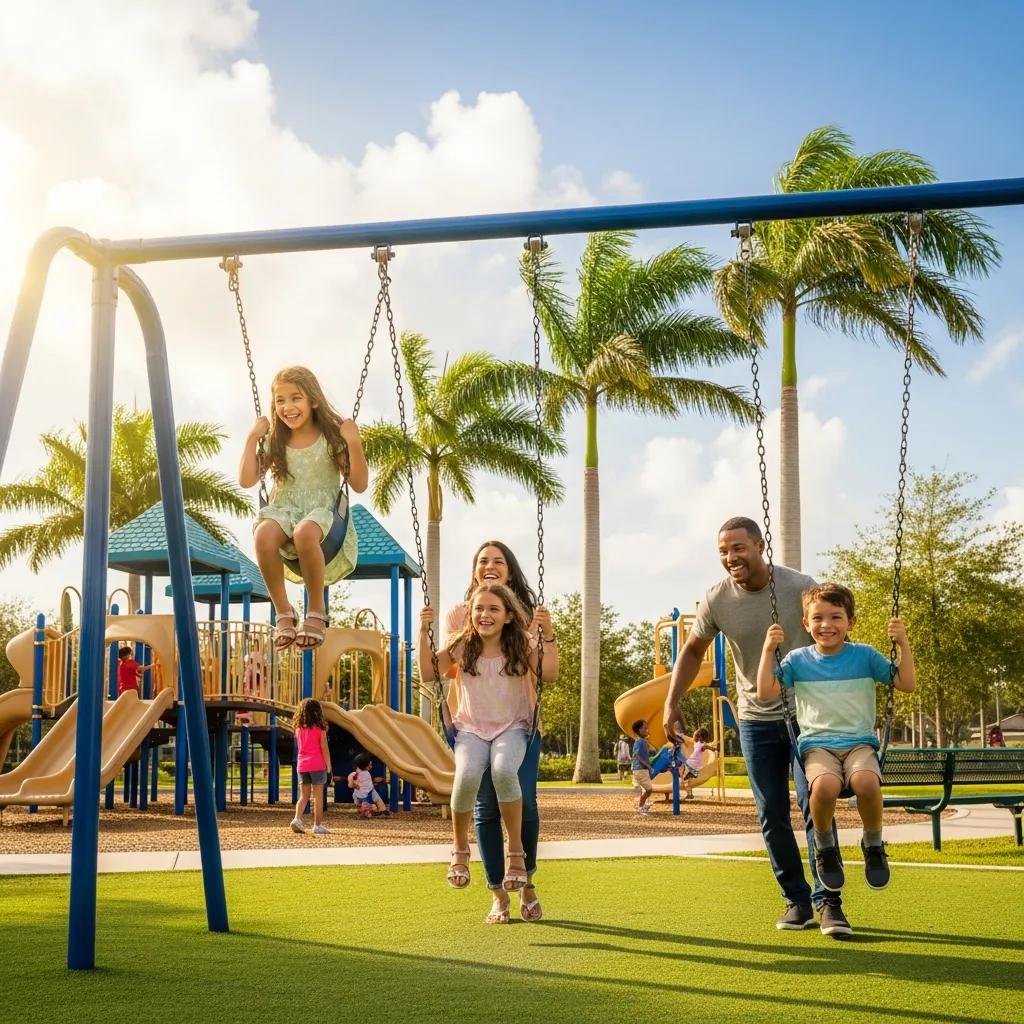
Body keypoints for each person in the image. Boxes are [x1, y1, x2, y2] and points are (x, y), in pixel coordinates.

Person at [662, 516, 852, 937]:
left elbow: (831, 630)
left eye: (738, 548)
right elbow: (692, 651)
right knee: (771, 813)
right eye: (724, 551)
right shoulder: (716, 599)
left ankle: (829, 902)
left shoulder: (799, 586)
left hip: (809, 716)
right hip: (755, 718)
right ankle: (796, 900)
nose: (731, 558)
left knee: (815, 802)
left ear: (760, 545)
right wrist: (672, 701)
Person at [422, 539, 554, 925]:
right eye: (483, 561)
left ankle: (525, 877)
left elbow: (547, 671)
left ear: (510, 570)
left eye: (499, 561)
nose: (490, 566)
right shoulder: (461, 619)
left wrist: (548, 633)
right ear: (474, 570)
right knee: (480, 802)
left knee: (523, 802)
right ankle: (497, 892)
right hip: (472, 722)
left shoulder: (527, 616)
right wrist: (425, 629)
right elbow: (435, 668)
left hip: (518, 725)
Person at [758, 583, 917, 893]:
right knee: (826, 786)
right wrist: (768, 650)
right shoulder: (797, 660)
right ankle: (825, 846)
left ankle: (873, 844)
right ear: (806, 623)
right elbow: (765, 692)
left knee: (867, 783)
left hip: (859, 742)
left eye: (836, 617)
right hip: (818, 745)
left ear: (850, 622)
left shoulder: (865, 656)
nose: (826, 625)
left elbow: (906, 683)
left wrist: (903, 642)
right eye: (817, 618)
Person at [239, 365, 368, 650]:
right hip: (284, 507)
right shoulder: (276, 439)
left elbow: (358, 484)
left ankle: (317, 611)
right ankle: (284, 612)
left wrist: (354, 443)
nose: (288, 407)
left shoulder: (331, 437)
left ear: (313, 399)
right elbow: (247, 479)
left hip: (322, 511)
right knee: (263, 535)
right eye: (280, 400)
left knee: (304, 533)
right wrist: (251, 438)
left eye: (295, 398)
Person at [290, 697, 332, 835]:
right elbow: (324, 749)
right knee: (318, 797)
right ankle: (317, 825)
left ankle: (297, 819)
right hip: (317, 764)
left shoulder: (298, 729)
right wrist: (329, 767)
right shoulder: (320, 729)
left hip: (302, 765)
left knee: (304, 796)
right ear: (317, 712)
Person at [347, 752, 392, 818]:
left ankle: (382, 810)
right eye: (369, 765)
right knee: (363, 806)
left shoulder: (366, 772)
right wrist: (355, 785)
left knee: (378, 800)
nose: (371, 766)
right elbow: (350, 785)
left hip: (371, 791)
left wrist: (373, 783)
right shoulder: (354, 774)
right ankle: (365, 812)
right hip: (361, 794)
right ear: (364, 765)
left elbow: (367, 781)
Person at [682, 726, 713, 800]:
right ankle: (690, 794)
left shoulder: (701, 744)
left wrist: (714, 748)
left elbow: (706, 746)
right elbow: (689, 739)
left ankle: (688, 793)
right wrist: (681, 736)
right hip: (694, 765)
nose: (693, 736)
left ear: (699, 737)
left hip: (691, 763)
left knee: (682, 778)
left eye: (694, 735)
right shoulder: (697, 743)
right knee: (689, 780)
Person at [631, 719, 655, 814]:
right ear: (639, 730)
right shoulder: (638, 741)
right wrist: (647, 766)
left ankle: (643, 805)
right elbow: (637, 755)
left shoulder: (643, 741)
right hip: (639, 769)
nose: (647, 730)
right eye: (645, 728)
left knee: (647, 789)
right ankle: (641, 807)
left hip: (642, 769)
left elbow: (646, 753)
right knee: (649, 789)